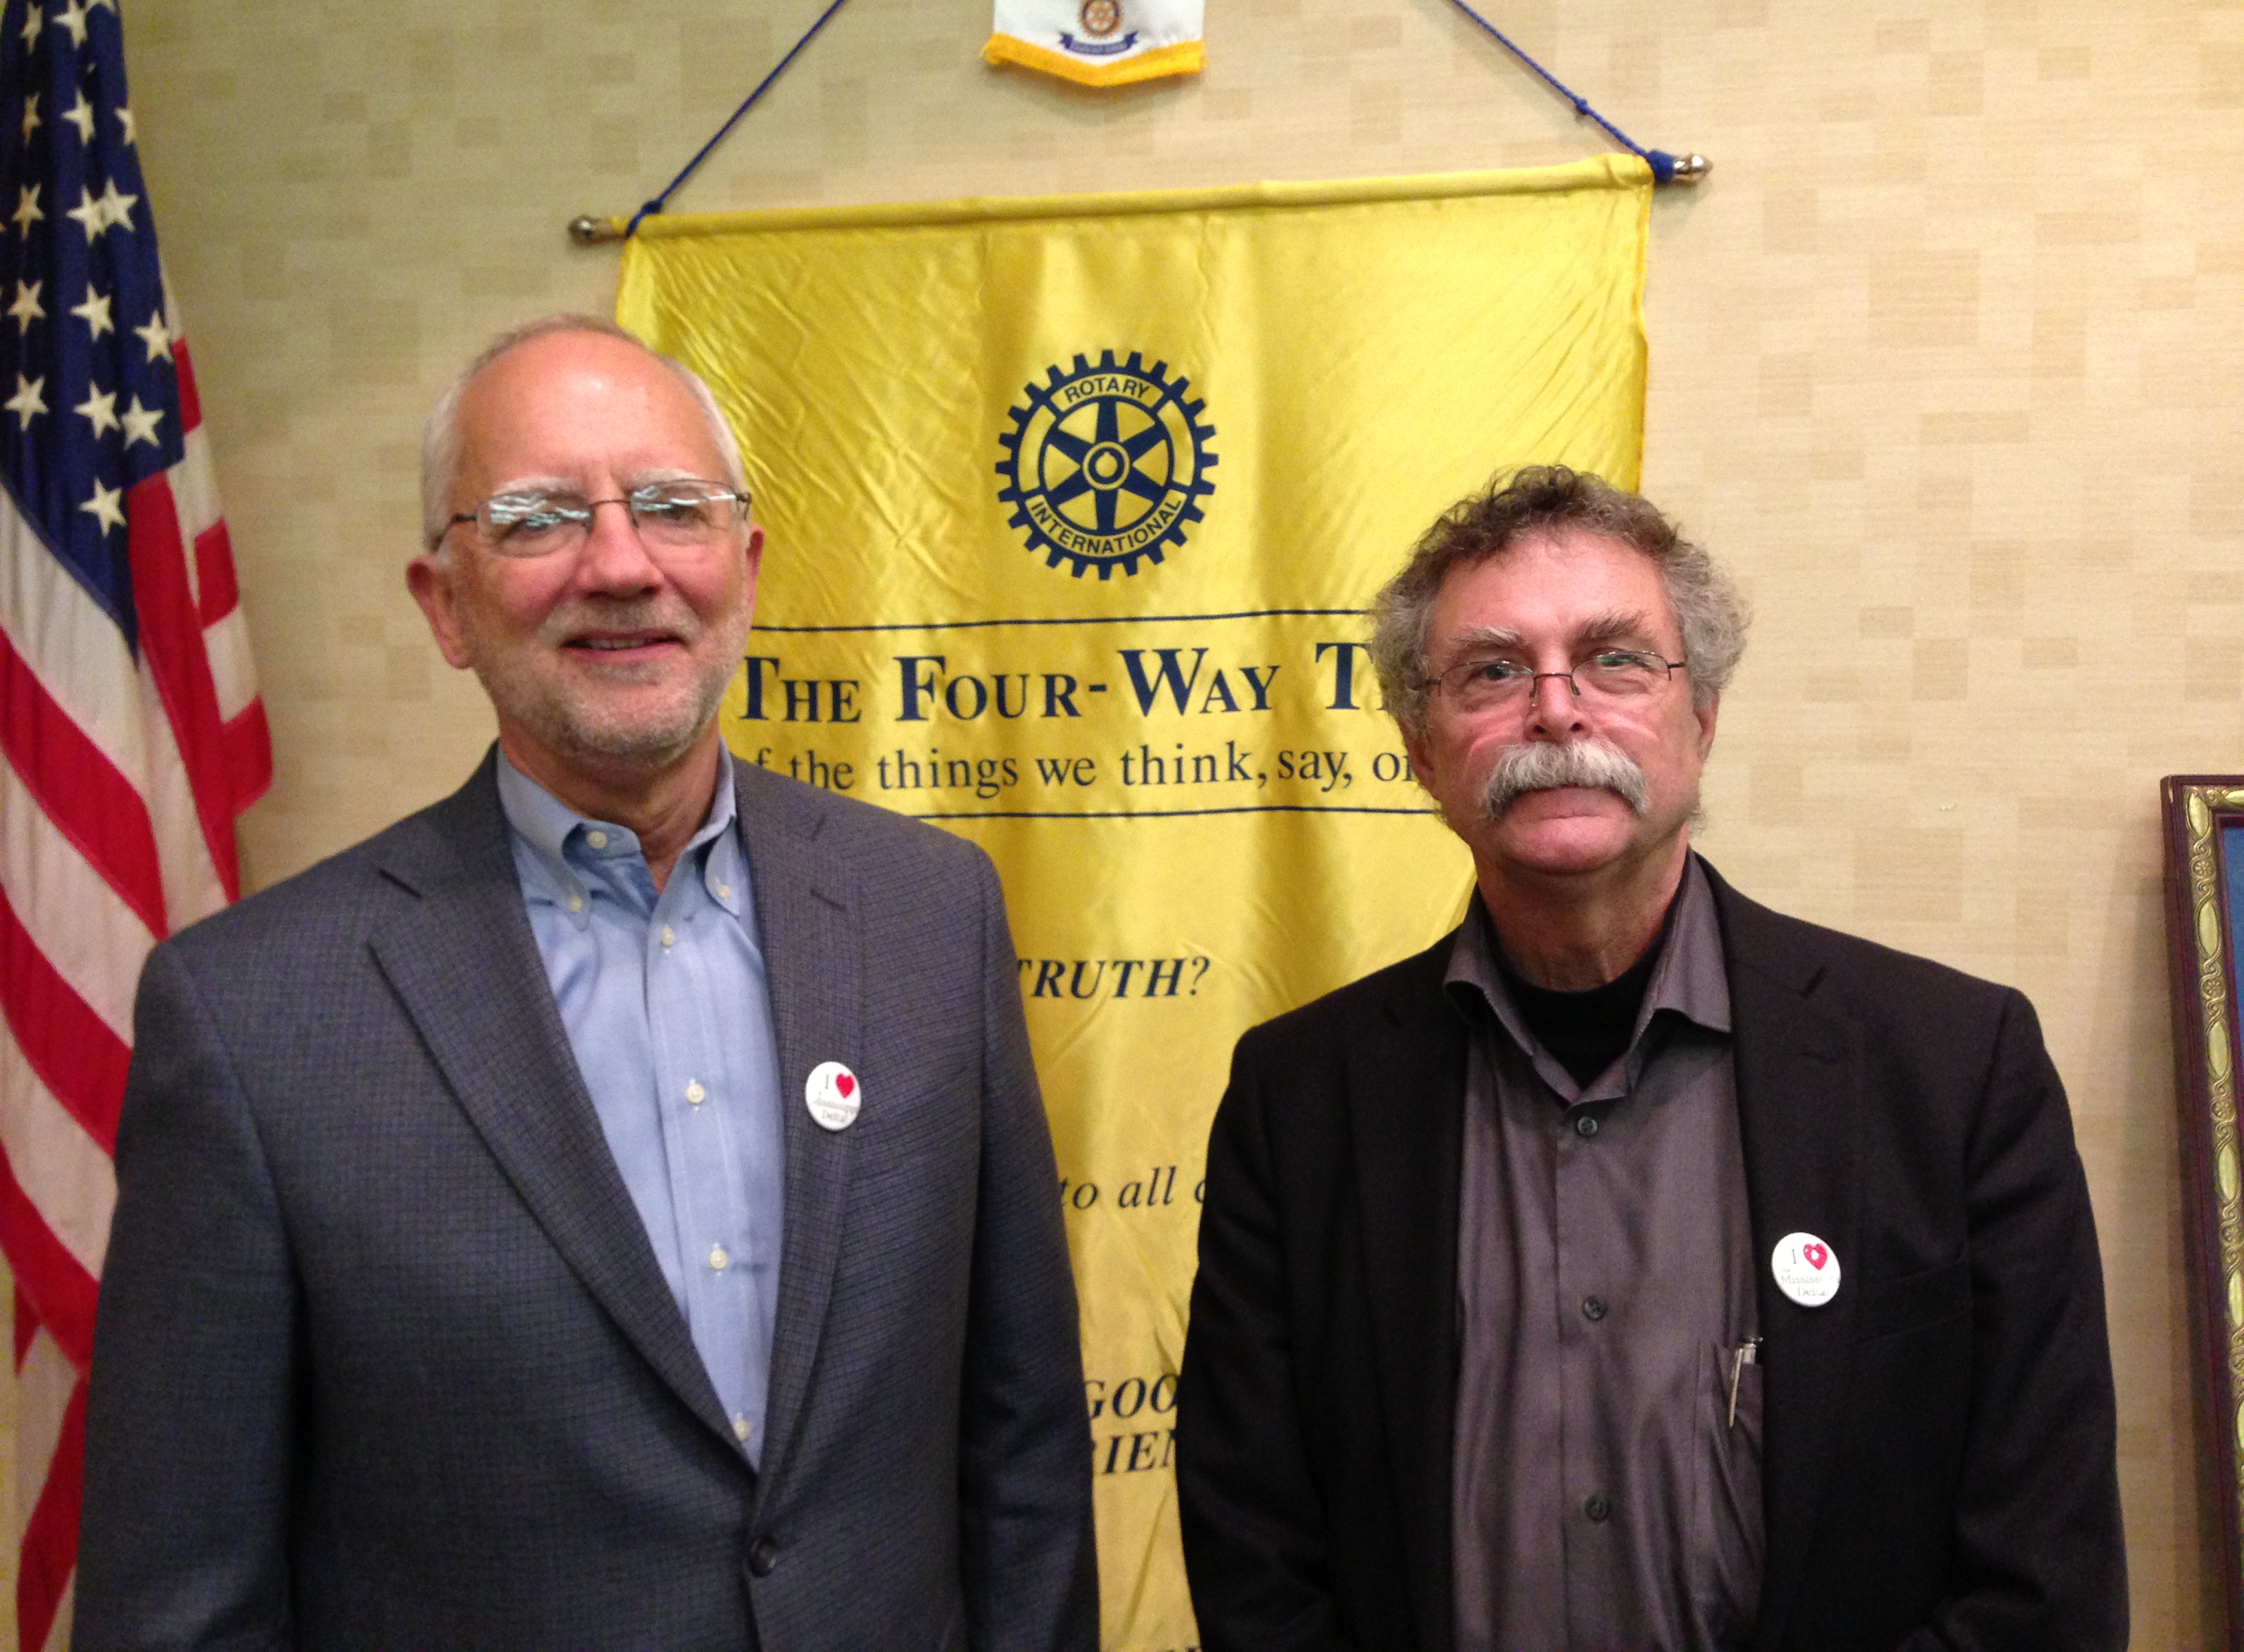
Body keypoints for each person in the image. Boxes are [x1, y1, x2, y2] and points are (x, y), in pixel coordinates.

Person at [78, 316, 1099, 1651]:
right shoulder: (255, 1019)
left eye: (673, 508)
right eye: (538, 518)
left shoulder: (927, 915)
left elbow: (1021, 1445)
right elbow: (182, 1597)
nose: (621, 565)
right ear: (444, 604)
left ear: (744, 565)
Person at [1174, 467, 2124, 1652]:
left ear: (1703, 718)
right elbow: (1254, 1551)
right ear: (1421, 747)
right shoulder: (1300, 1098)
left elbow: (2044, 1574)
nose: (1558, 711)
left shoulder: (1953, 1071)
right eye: (1494, 670)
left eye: (1617, 659)